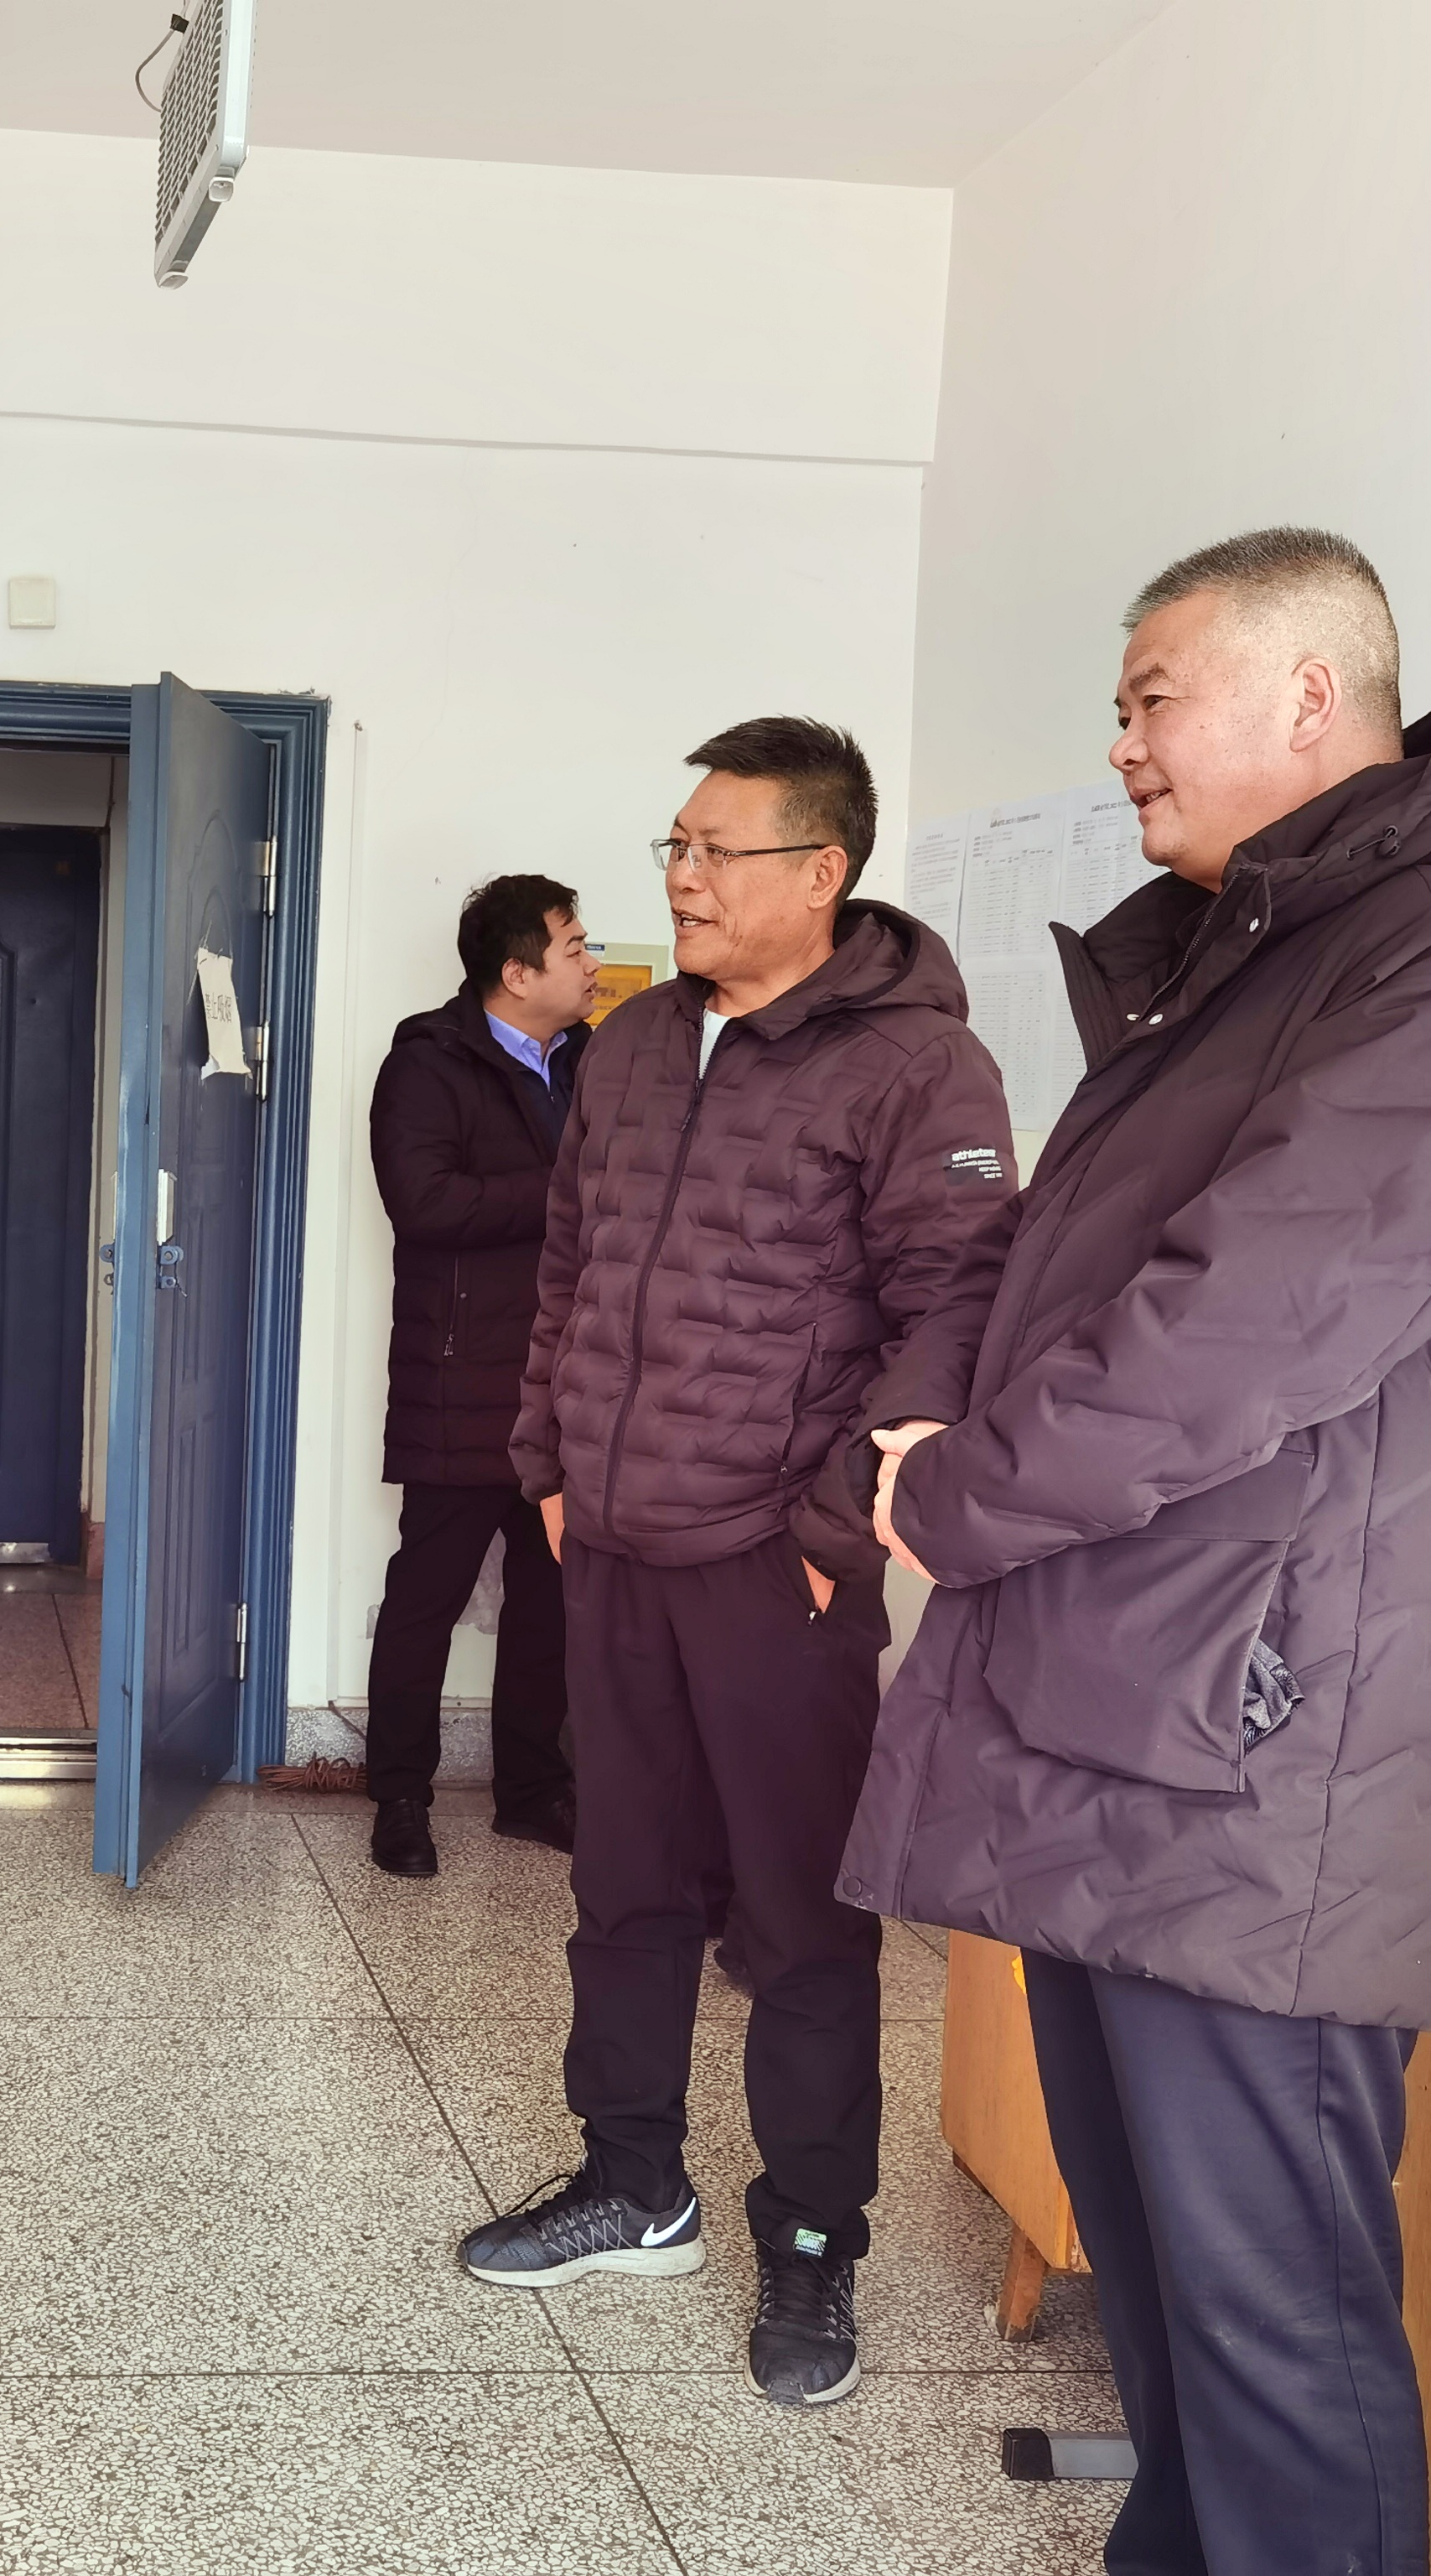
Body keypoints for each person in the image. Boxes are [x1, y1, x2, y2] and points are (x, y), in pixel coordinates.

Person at [842, 529, 1431, 2574]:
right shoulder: (1249, 956)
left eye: (1148, 697)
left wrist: (957, 1494)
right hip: (1137, 1713)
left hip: (1263, 1745)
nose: (1119, 745)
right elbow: (1052, 1272)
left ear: (1304, 693)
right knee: (1171, 2321)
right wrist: (925, 1425)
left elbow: (1232, 1328)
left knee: (1276, 2346)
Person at [458, 717, 1015, 2410]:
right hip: (615, 1541)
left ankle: (812, 2235)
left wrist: (835, 1530)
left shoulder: (916, 1068)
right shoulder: (632, 1044)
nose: (683, 877)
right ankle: (632, 2181)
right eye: (676, 848)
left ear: (820, 872)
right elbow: (570, 1270)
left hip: (778, 1560)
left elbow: (954, 1313)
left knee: (795, 1920)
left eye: (717, 851)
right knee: (620, 1887)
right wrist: (550, 1469)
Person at [360, 873, 598, 1877]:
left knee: (549, 1605)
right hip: (460, 1379)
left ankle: (531, 1793)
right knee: (426, 1600)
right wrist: (571, 1188)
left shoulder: (589, 1061)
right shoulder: (429, 1062)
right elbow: (425, 1203)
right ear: (517, 973)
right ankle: (399, 1797)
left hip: (565, 1382)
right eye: (574, 947)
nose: (590, 963)